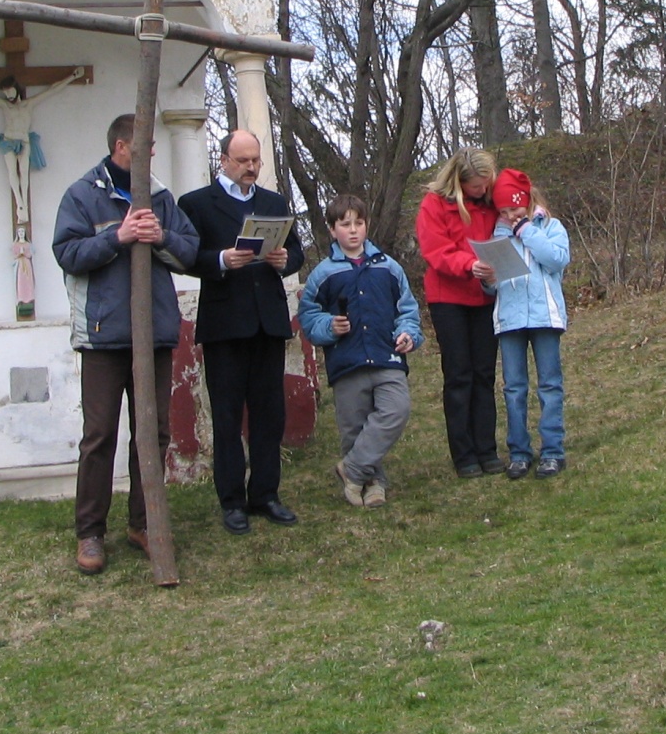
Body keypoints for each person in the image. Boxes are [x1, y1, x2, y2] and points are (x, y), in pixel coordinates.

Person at [52, 114, 198, 575]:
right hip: (103, 336)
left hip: (152, 333)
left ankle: (144, 523)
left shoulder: (159, 198)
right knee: (99, 436)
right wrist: (118, 238)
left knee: (152, 434)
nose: (152, 153)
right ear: (120, 148)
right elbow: (68, 254)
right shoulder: (82, 195)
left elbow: (189, 251)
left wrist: (160, 237)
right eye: (144, 146)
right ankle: (90, 533)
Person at [178, 129, 305, 534]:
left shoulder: (273, 203)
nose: (251, 168)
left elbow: (298, 249)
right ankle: (232, 500)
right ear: (225, 161)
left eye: (256, 161)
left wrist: (285, 259)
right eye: (244, 161)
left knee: (270, 414)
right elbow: (182, 255)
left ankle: (266, 494)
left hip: (267, 321)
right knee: (228, 415)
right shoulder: (197, 204)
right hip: (225, 324)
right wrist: (219, 260)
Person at [298, 194, 422, 508]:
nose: (353, 230)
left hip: (386, 357)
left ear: (366, 225)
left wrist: (408, 333)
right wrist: (329, 327)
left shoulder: (389, 268)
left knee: (396, 409)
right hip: (347, 361)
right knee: (354, 427)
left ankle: (350, 469)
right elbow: (309, 318)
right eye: (345, 224)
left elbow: (407, 309)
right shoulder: (323, 274)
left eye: (359, 223)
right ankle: (372, 485)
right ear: (331, 229)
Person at [415, 147, 503, 477]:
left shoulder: (492, 199)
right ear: (459, 182)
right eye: (476, 187)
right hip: (448, 298)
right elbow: (436, 251)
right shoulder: (434, 205)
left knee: (484, 373)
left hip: (484, 298)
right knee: (458, 375)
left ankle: (487, 448)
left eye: (485, 184)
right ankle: (463, 453)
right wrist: (470, 264)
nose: (482, 191)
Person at [488, 168, 571, 480]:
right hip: (510, 319)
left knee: (549, 384)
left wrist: (527, 231)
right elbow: (493, 286)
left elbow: (557, 259)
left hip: (544, 317)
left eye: (514, 208)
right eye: (504, 211)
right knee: (514, 388)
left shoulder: (550, 227)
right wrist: (487, 280)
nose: (510, 216)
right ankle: (519, 452)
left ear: (526, 201)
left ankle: (552, 450)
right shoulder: (498, 235)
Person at [0, 66, 85, 223]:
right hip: (8, 141)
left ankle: (24, 205)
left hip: (24, 140)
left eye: (10, 91)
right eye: (5, 92)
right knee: (13, 173)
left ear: (16, 89)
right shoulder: (5, 105)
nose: (8, 95)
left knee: (24, 174)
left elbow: (52, 90)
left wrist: (73, 76)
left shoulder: (29, 104)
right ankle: (20, 205)